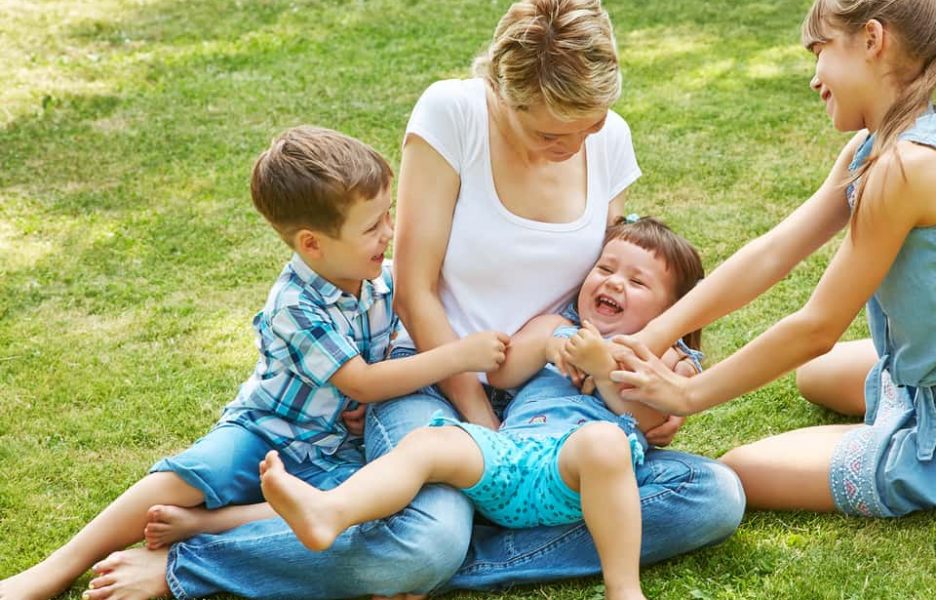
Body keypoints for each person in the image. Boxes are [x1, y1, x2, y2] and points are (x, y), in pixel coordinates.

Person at [66, 2, 743, 599]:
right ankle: (202, 562)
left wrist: (638, 385)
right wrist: (483, 420)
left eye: (591, 124)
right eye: (552, 133)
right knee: (429, 539)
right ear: (504, 94)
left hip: (551, 407)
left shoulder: (604, 138)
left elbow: (591, 294)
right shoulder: (452, 115)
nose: (577, 145)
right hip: (434, 381)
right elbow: (415, 289)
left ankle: (417, 555)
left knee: (711, 496)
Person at [609, 0, 936, 518]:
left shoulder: (905, 168)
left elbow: (816, 327)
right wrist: (655, 334)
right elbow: (774, 252)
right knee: (814, 377)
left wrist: (686, 396)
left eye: (819, 50)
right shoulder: (877, 145)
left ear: (872, 39)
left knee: (736, 469)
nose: (813, 78)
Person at [0, 126, 510, 600]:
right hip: (267, 428)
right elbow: (363, 379)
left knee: (349, 510)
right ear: (312, 243)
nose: (390, 232)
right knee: (196, 472)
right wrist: (457, 356)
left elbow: (383, 355)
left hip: (335, 448)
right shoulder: (295, 305)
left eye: (389, 215)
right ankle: (60, 565)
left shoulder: (379, 279)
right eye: (374, 225)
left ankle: (208, 527)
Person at [259, 217, 705, 600]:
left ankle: (622, 588)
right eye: (605, 268)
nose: (612, 282)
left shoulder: (667, 359)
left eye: (637, 281)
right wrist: (549, 347)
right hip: (509, 462)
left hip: (577, 478)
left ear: (672, 311)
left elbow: (649, 420)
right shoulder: (557, 325)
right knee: (430, 444)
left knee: (606, 441)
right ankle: (331, 511)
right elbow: (502, 375)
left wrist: (603, 371)